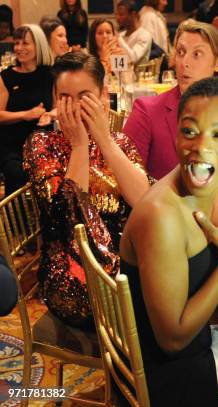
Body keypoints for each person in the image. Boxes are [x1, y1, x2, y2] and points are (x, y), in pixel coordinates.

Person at [119, 77, 218, 406]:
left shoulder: (207, 181)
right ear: (175, 132)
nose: (201, 146)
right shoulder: (162, 216)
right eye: (190, 130)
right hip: (172, 380)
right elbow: (172, 340)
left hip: (203, 341)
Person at [23, 52, 149, 327]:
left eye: (84, 96)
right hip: (71, 272)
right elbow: (66, 221)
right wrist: (79, 146)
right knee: (149, 306)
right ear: (55, 98)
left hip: (126, 262)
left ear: (103, 95)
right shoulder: (41, 145)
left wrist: (104, 140)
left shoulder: (119, 142)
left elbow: (144, 201)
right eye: (65, 97)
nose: (74, 106)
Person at [123, 19, 218, 201]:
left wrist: (210, 198)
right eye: (181, 52)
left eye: (197, 54)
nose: (184, 62)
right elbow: (125, 178)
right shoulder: (147, 111)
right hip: (160, 217)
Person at [0, 24, 54, 196]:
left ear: (38, 45)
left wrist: (49, 115)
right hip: (12, 144)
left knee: (50, 172)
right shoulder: (7, 77)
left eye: (25, 43)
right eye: (16, 43)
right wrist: (26, 115)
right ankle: (17, 220)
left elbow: (59, 106)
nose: (19, 48)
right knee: (17, 172)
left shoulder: (50, 74)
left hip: (43, 141)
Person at [116, 0, 153, 65]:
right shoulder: (121, 35)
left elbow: (133, 58)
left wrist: (118, 38)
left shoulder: (144, 35)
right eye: (117, 14)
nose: (117, 18)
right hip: (120, 74)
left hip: (137, 74)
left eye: (121, 14)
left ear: (133, 14)